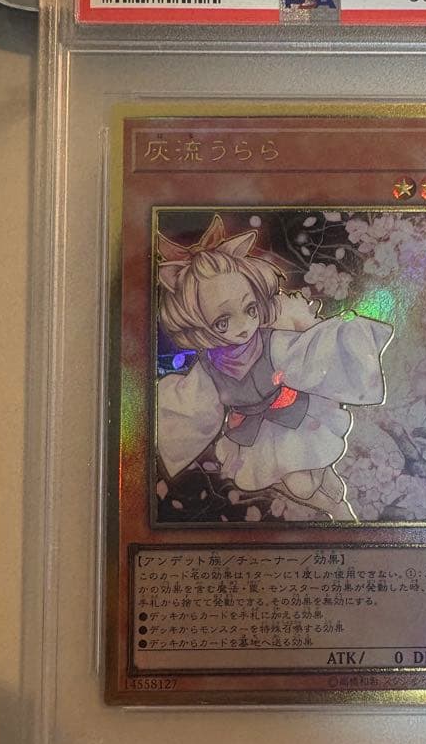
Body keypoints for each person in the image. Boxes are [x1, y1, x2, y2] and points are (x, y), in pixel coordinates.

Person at [156, 214, 392, 520]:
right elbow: (193, 408)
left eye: (250, 309)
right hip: (254, 435)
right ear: (198, 325)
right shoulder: (209, 367)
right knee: (293, 484)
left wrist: (346, 335)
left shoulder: (271, 342)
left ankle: (336, 502)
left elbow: (309, 354)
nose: (243, 327)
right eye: (222, 322)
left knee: (308, 480)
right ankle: (337, 507)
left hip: (295, 419)